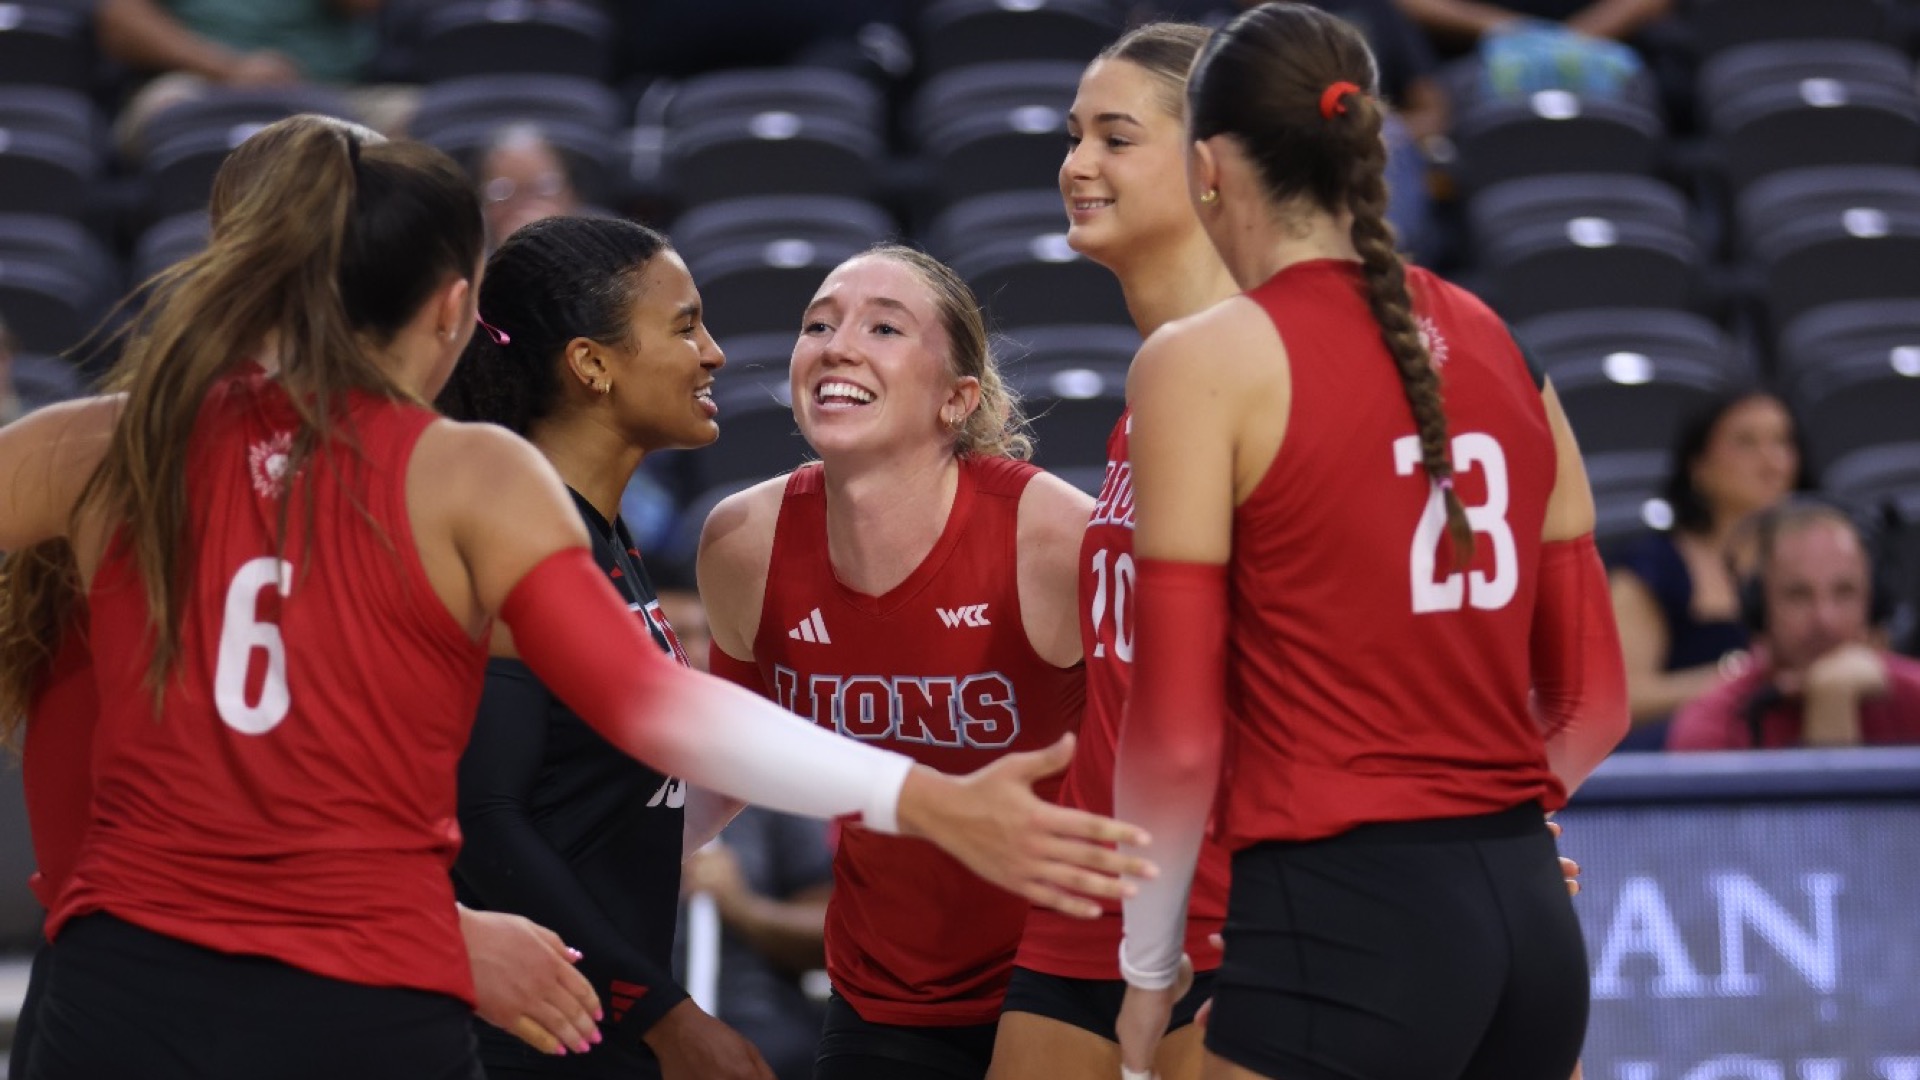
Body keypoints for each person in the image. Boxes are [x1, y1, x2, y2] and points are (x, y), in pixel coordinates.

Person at [0, 122, 1147, 1080]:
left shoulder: (105, 442)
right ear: (452, 308)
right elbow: (655, 708)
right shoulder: (467, 474)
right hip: (364, 989)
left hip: (124, 982)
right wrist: (926, 799)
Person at [0, 116, 603, 1075]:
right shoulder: (135, 451)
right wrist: (442, 929)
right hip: (183, 981)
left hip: (232, 980)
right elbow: (133, 814)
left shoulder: (404, 459)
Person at [1105, 7, 1628, 1080]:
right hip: (1531, 927)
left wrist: (1149, 965)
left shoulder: (1204, 361)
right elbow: (1595, 701)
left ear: (1208, 168)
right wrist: (1481, 814)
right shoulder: (1504, 344)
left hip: (1345, 917)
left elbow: (1176, 734)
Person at [698, 244, 1095, 1080]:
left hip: (1065, 979)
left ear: (958, 398)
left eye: (884, 327)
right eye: (818, 324)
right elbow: (722, 770)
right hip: (880, 991)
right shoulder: (744, 541)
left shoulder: (1057, 539)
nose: (838, 346)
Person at [435, 215, 775, 1080]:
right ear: (591, 364)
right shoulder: (518, 537)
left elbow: (598, 811)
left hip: (594, 1028)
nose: (714, 354)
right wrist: (664, 1016)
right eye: (685, 326)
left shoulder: (603, 536)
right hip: (516, 1044)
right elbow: (484, 817)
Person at [993, 24, 1235, 1080]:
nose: (1076, 164)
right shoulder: (1153, 383)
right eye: (1073, 136)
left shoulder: (1264, 372)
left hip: (1233, 888)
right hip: (1099, 877)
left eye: (1116, 138)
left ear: (1213, 165)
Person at [1610, 391, 1803, 749]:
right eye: (1746, 443)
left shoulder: (1821, 559)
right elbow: (1621, 698)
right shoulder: (1653, 566)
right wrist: (1743, 677)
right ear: (1698, 466)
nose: (1771, 461)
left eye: (1782, 442)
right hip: (1681, 760)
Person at [1668, 500, 1920, 751]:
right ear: (1760, 608)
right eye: (1798, 595)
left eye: (1845, 592)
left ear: (1873, 603)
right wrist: (1831, 700)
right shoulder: (1712, 727)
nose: (1824, 619)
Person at [98, 0, 418, 159]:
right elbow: (121, 23)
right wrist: (229, 69)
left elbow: (364, 5)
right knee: (163, 109)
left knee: (418, 119)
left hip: (329, 91)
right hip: (198, 83)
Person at [679, 809, 836, 1080]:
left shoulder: (770, 800)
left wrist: (743, 908)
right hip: (635, 1023)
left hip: (760, 1028)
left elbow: (832, 932)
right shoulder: (618, 798)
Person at [477, 124, 586, 250]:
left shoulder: (598, 246)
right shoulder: (471, 252)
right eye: (502, 191)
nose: (524, 207)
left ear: (571, 194)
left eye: (543, 187)